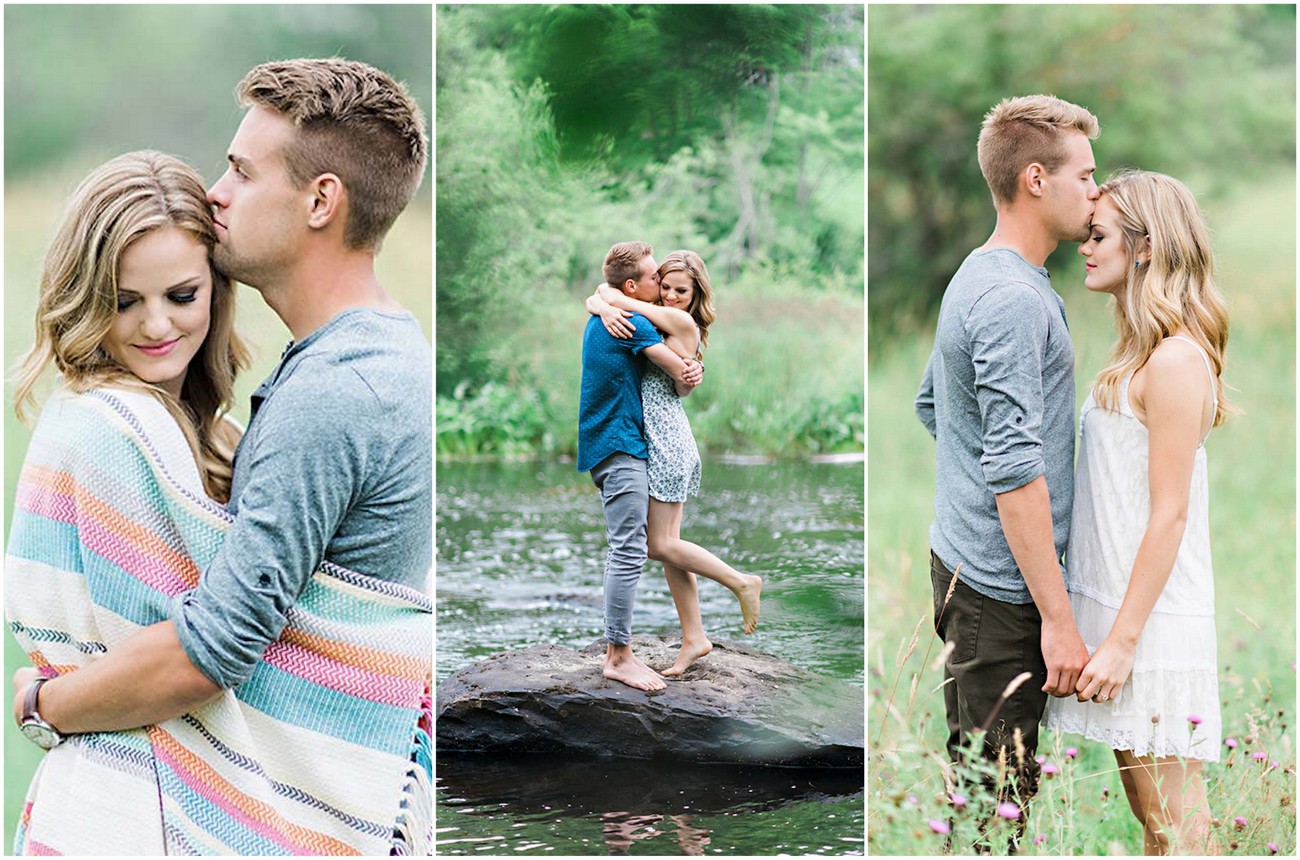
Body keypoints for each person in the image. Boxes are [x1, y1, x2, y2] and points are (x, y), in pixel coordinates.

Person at [8, 58, 433, 855]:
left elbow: (216, 646)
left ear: (320, 200)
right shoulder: (363, 358)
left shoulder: (337, 393)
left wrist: (44, 704)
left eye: (241, 170)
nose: (218, 192)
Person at [914, 94, 1098, 840]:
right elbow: (1016, 468)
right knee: (995, 815)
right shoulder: (1011, 300)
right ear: (1034, 179)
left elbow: (933, 404)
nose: (1097, 189)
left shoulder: (983, 274)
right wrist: (1057, 619)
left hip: (974, 572)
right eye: (1085, 175)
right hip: (999, 591)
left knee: (985, 798)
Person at [1043, 170, 1231, 855]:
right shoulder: (1139, 353)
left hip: (1150, 626)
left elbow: (1169, 516)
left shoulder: (1178, 360)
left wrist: (1121, 642)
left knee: (1177, 828)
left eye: (1098, 236)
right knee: (1153, 828)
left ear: (1145, 247)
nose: (1084, 248)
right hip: (1121, 612)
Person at [586, 250, 762, 676]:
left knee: (658, 545)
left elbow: (623, 300)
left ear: (695, 293)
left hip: (665, 440)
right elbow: (611, 293)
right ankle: (694, 637)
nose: (669, 295)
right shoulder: (661, 315)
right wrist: (598, 300)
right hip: (663, 436)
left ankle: (741, 581)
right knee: (670, 550)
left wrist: (604, 301)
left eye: (680, 290)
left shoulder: (680, 323)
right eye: (665, 286)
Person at [577, 241, 703, 691]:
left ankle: (694, 636)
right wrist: (690, 368)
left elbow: (606, 293)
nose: (662, 288)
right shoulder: (630, 321)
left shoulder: (616, 310)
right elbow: (679, 369)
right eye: (655, 279)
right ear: (632, 285)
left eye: (673, 286)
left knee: (642, 545)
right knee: (630, 549)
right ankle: (618, 656)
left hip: (618, 442)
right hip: (621, 443)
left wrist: (604, 297)